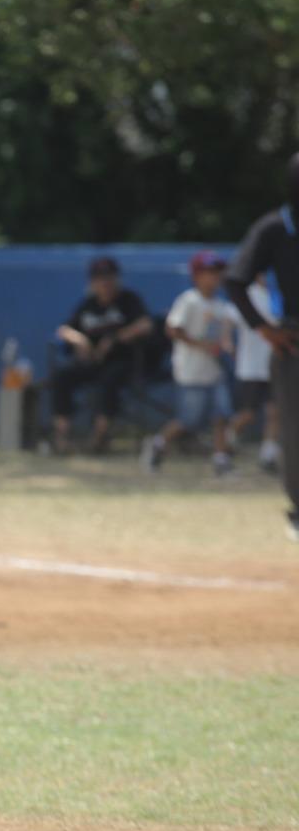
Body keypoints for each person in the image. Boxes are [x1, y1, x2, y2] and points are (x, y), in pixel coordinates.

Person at [223, 150, 299, 542]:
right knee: (293, 423)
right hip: (293, 340)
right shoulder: (274, 229)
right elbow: (235, 281)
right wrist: (265, 329)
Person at [140, 252, 238, 475]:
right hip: (191, 370)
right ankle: (157, 444)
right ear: (197, 276)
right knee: (188, 420)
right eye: (209, 273)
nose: (215, 277)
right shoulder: (189, 300)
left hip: (214, 370)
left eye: (217, 273)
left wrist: (226, 347)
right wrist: (200, 345)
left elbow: (224, 335)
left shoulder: (221, 305)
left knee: (221, 415)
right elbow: (173, 328)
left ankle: (221, 461)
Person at [49, 257, 155, 454]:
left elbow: (146, 325)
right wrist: (80, 339)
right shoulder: (88, 305)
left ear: (117, 279)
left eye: (109, 278)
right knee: (62, 377)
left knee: (109, 380)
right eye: (99, 279)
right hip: (93, 362)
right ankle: (62, 439)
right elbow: (63, 330)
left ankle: (98, 440)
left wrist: (115, 338)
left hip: (124, 361)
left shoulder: (128, 300)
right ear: (92, 282)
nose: (105, 283)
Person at [228, 273, 282, 475]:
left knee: (274, 411)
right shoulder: (246, 294)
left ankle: (268, 455)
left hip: (273, 364)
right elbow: (229, 319)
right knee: (248, 414)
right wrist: (227, 342)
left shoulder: (276, 296)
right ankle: (226, 439)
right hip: (250, 366)